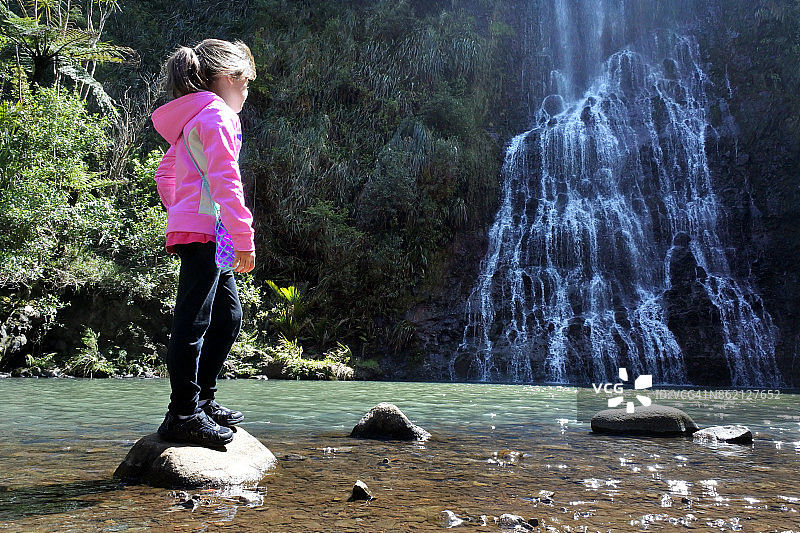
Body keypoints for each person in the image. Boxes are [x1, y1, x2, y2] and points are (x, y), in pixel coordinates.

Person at [151, 39, 256, 447]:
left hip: (213, 231)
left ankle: (203, 401)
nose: (246, 93)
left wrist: (180, 210)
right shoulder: (216, 116)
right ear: (228, 79)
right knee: (193, 321)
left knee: (228, 316)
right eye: (246, 83)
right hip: (209, 231)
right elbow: (227, 182)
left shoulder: (196, 119)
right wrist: (243, 237)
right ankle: (182, 413)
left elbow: (165, 174)